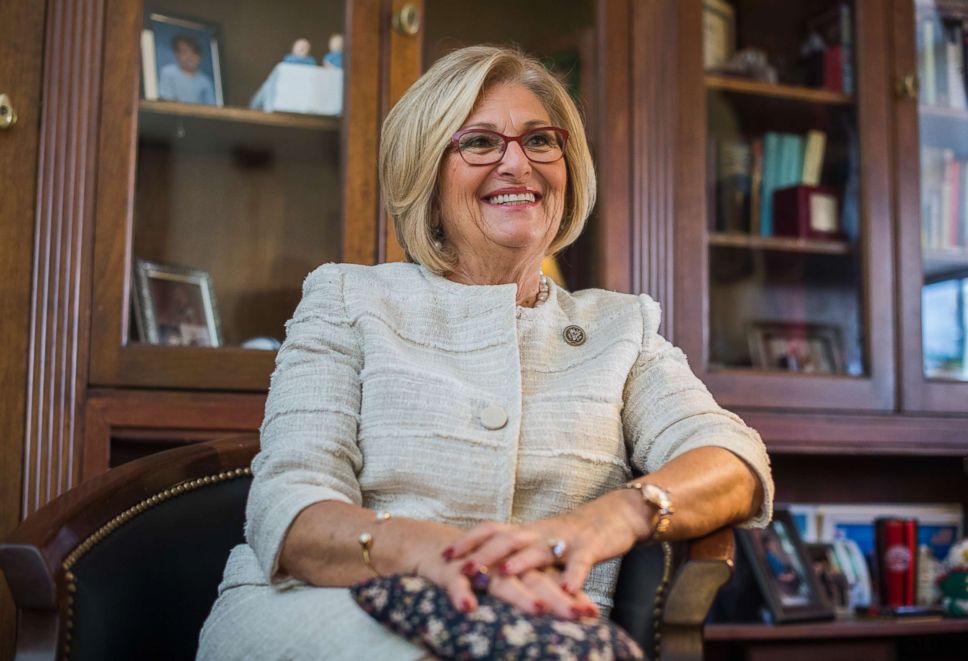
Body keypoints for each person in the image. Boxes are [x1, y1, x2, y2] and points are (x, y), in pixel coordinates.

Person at [197, 45, 774, 659]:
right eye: (479, 143)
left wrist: (605, 520)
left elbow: (733, 460)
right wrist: (437, 558)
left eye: (540, 141)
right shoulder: (348, 299)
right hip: (330, 612)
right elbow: (290, 511)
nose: (516, 164)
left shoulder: (619, 329)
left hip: (544, 633)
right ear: (428, 173)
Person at [158, 34, 216, 105]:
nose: (189, 57)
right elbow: (166, 101)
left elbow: (211, 108)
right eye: (184, 52)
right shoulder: (168, 72)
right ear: (176, 54)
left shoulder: (206, 81)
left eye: (194, 52)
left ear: (200, 57)